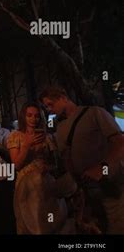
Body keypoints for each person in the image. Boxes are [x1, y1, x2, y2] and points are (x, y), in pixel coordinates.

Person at [40, 86, 124, 234]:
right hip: (87, 190)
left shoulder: (94, 113)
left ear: (63, 98)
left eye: (50, 104)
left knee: (117, 225)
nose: (48, 109)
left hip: (110, 185)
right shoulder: (60, 127)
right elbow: (67, 158)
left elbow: (119, 142)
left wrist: (102, 167)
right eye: (46, 106)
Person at [7, 102, 76, 234]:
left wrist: (48, 167)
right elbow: (16, 165)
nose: (33, 119)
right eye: (29, 115)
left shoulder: (47, 137)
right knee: (29, 222)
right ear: (23, 117)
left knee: (49, 220)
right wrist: (27, 145)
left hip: (46, 182)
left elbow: (56, 163)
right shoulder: (15, 136)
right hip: (26, 184)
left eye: (37, 116)